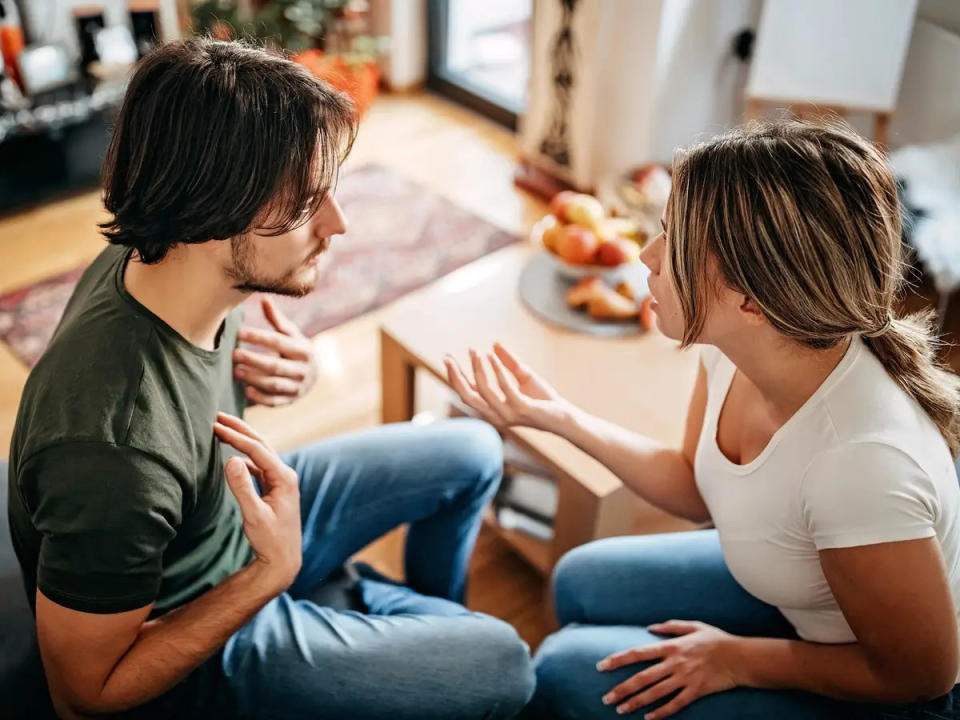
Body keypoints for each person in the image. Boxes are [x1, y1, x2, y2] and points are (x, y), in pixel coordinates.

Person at [7, 38, 533, 720]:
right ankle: (362, 616)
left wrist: (292, 372)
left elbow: (185, 389)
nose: (339, 225)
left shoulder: (155, 256)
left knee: (474, 452)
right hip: (191, 630)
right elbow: (83, 696)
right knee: (508, 663)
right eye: (309, 203)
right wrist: (270, 576)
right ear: (213, 211)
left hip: (231, 524)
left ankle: (393, 629)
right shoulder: (113, 452)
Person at [446, 121, 960, 719]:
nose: (647, 254)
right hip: (801, 600)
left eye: (674, 240)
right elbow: (694, 487)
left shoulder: (861, 467)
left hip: (885, 689)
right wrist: (554, 417)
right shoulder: (735, 345)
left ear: (752, 300)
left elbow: (922, 675)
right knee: (577, 578)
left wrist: (738, 659)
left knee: (563, 670)